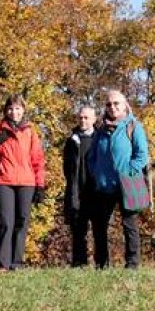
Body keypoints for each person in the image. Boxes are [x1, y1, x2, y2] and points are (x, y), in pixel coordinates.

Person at [88, 90, 149, 269]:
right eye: (108, 104)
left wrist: (129, 171)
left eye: (116, 104)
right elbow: (92, 156)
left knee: (130, 225)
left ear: (124, 105)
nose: (112, 107)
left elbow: (142, 155)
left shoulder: (133, 126)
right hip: (104, 185)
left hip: (127, 184)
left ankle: (132, 264)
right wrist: (96, 172)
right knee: (99, 226)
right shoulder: (100, 130)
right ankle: (102, 264)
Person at [0, 94, 46, 272]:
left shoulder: (30, 132)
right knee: (5, 221)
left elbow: (38, 160)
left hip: (27, 182)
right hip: (4, 181)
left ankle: (17, 262)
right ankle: (3, 263)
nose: (14, 112)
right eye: (11, 108)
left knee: (22, 221)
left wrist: (40, 185)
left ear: (23, 110)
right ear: (6, 111)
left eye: (18, 108)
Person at [62, 105, 97, 267]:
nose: (83, 120)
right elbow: (66, 167)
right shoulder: (71, 140)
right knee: (78, 230)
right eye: (80, 117)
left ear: (94, 120)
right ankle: (79, 264)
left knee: (99, 230)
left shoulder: (100, 139)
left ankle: (102, 263)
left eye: (86, 117)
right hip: (76, 191)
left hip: (96, 191)